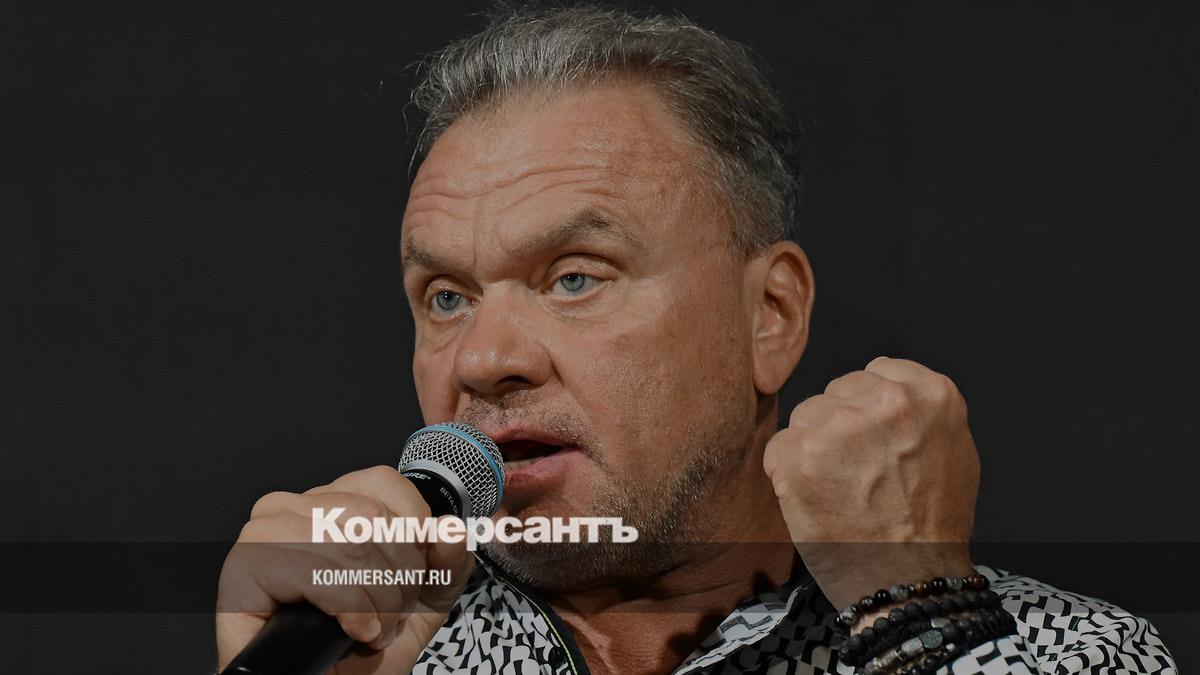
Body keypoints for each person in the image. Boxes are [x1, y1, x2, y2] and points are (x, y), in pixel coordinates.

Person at [216, 5, 1176, 674]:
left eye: (575, 276)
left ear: (771, 315)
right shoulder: (362, 647)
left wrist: (919, 621)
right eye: (446, 297)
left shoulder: (1068, 652)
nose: (482, 359)